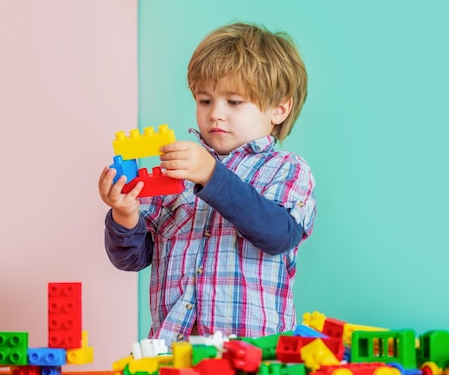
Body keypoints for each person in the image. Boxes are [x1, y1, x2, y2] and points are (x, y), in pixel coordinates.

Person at [98, 22, 316, 346]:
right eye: (205, 100)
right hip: (172, 353)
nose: (216, 114)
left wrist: (211, 175)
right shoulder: (176, 173)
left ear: (279, 109)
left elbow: (277, 234)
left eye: (234, 102)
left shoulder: (286, 170)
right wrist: (124, 214)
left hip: (248, 356)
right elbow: (132, 259)